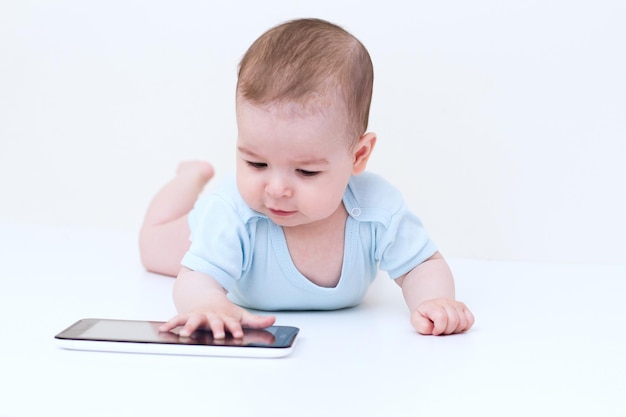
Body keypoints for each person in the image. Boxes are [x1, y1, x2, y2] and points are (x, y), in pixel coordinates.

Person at [139, 18, 474, 339]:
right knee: (152, 246)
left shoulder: (377, 208)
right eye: (256, 163)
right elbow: (195, 277)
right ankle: (190, 176)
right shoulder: (233, 211)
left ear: (358, 156)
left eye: (306, 171)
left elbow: (421, 265)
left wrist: (435, 301)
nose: (276, 189)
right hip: (206, 228)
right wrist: (208, 302)